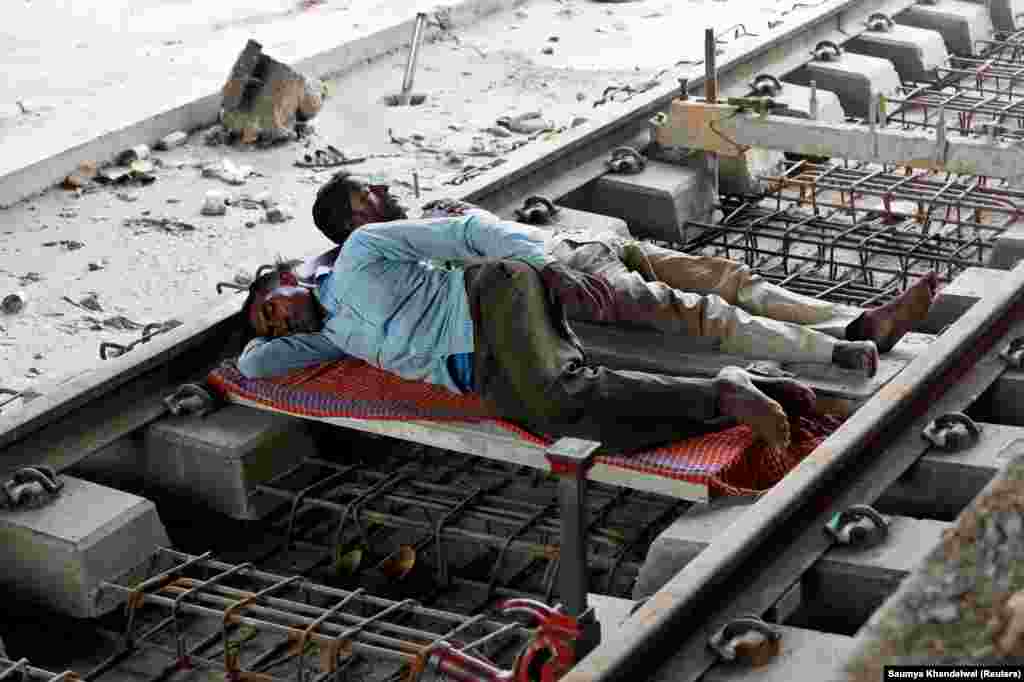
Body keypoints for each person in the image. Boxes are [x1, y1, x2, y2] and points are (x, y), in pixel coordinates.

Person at [237, 178, 828, 453]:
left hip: (493, 296)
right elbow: (256, 363)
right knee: (574, 420)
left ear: (291, 278)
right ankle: (745, 394)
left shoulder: (362, 253)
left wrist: (545, 266)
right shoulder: (333, 335)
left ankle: (732, 392)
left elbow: (465, 230)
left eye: (274, 309)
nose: (280, 325)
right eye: (274, 325)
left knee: (558, 397)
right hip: (485, 363)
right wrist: (270, 324)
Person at [305, 174, 940, 377]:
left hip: (585, 247)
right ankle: (839, 347)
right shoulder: (378, 260)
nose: (382, 191)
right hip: (567, 278)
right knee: (700, 314)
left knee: (726, 279)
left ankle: (856, 322)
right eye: (367, 193)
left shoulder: (413, 225)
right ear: (353, 220)